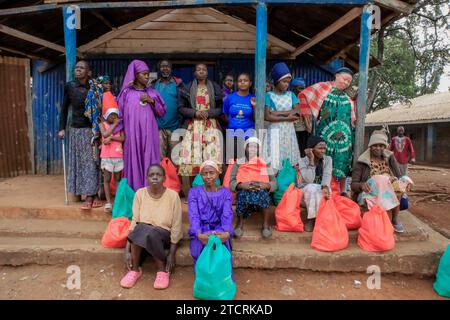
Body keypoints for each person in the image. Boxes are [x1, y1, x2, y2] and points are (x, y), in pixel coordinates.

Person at [121, 164, 183, 289]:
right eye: (151, 175)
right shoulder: (140, 194)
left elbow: (176, 225)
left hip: (163, 235)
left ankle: (162, 271)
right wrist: (127, 250)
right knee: (141, 228)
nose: (155, 178)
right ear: (147, 178)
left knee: (151, 231)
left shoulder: (173, 196)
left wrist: (171, 253)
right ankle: (134, 270)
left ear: (164, 178)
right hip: (141, 234)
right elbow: (135, 221)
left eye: (158, 175)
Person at [299, 67, 357, 196]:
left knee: (343, 161)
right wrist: (307, 116)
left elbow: (353, 117)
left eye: (349, 81)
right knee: (323, 159)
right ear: (336, 75)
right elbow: (304, 95)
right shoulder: (323, 88)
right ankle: (322, 186)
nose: (347, 83)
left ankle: (342, 190)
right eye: (345, 79)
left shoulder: (348, 96)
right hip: (325, 134)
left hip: (344, 137)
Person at [58, 60, 102, 210]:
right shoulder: (70, 86)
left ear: (88, 72)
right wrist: (61, 128)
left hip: (92, 130)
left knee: (92, 162)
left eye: (82, 68)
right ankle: (89, 193)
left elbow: (102, 107)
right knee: (81, 164)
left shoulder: (95, 87)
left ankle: (92, 194)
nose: (78, 70)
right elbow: (64, 109)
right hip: (76, 130)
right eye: (76, 67)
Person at [117, 60, 166, 191]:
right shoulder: (126, 93)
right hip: (132, 135)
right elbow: (119, 115)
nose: (147, 76)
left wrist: (151, 101)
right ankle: (135, 192)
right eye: (144, 74)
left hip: (149, 134)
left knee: (150, 158)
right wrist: (117, 134)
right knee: (134, 159)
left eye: (148, 74)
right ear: (135, 75)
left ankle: (151, 190)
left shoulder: (152, 93)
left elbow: (162, 112)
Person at [177, 63, 224, 197]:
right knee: (193, 158)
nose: (201, 71)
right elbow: (180, 108)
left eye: (204, 69)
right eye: (199, 69)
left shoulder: (214, 87)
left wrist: (208, 112)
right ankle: (193, 193)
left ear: (207, 72)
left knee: (212, 157)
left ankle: (211, 192)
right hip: (193, 127)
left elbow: (221, 109)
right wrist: (195, 113)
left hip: (211, 127)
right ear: (195, 72)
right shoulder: (187, 88)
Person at [351, 130, 410, 233]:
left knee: (398, 190)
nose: (378, 148)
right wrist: (362, 185)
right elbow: (353, 184)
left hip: (387, 191)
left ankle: (394, 220)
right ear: (370, 146)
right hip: (370, 193)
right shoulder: (362, 161)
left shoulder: (389, 157)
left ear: (385, 146)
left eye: (381, 145)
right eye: (375, 145)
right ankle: (375, 221)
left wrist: (404, 183)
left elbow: (399, 176)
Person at [229, 137, 277, 238]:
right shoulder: (239, 163)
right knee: (242, 194)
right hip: (245, 192)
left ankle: (265, 225)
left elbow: (274, 183)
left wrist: (267, 185)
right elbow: (232, 182)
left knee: (263, 195)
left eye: (256, 147)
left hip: (260, 192)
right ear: (245, 148)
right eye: (250, 146)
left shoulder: (265, 163)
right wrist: (241, 185)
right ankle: (240, 223)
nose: (252, 149)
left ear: (259, 149)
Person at [188, 160, 233, 266]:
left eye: (211, 173)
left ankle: (221, 279)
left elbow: (227, 214)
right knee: (198, 249)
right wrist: (199, 233)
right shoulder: (194, 192)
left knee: (221, 249)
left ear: (218, 174)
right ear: (201, 175)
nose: (208, 176)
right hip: (201, 228)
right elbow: (194, 215)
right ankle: (204, 279)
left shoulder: (225, 193)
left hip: (220, 227)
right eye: (205, 173)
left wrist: (226, 232)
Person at [264, 62, 301, 171]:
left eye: (288, 82)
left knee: (288, 160)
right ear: (276, 81)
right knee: (274, 159)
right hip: (274, 131)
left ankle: (287, 183)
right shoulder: (269, 95)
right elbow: (267, 116)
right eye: (284, 81)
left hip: (289, 132)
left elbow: (297, 113)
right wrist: (288, 116)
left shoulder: (291, 95)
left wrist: (276, 113)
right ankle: (274, 183)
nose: (286, 84)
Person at [298, 135, 332, 232]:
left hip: (321, 191)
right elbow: (308, 180)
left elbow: (327, 176)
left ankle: (315, 220)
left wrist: (325, 188)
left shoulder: (328, 160)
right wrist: (311, 161)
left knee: (322, 190)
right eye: (320, 148)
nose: (323, 151)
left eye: (324, 148)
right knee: (312, 187)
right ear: (311, 149)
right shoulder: (302, 161)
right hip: (304, 195)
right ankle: (311, 219)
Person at [151, 60, 183, 161]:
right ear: (159, 69)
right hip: (159, 128)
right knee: (160, 158)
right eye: (162, 66)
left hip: (175, 127)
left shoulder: (178, 85)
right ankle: (163, 177)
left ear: (171, 69)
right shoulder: (154, 85)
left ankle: (173, 177)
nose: (165, 68)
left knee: (175, 158)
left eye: (168, 66)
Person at [222, 73, 256, 161]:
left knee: (248, 161)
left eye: (245, 80)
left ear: (250, 83)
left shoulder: (253, 98)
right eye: (240, 81)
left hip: (249, 134)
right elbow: (225, 114)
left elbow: (257, 118)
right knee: (233, 162)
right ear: (237, 83)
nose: (243, 82)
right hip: (233, 134)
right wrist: (233, 124)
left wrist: (254, 106)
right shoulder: (230, 98)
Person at [99, 108, 124, 212]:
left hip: (118, 156)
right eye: (111, 115)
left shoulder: (120, 127)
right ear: (106, 116)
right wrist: (115, 124)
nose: (114, 117)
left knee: (118, 179)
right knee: (107, 180)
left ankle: (117, 202)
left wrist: (112, 138)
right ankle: (109, 202)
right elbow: (105, 135)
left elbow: (123, 138)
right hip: (107, 157)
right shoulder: (102, 124)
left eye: (116, 115)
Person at [291, 77, 309, 157]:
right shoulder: (290, 97)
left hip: (303, 127)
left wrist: (308, 125)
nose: (302, 90)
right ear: (294, 88)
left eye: (303, 88)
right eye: (300, 88)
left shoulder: (304, 97)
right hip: (295, 127)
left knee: (303, 146)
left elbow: (306, 113)